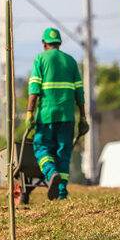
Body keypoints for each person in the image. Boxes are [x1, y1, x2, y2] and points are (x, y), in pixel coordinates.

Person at [26, 28, 89, 200]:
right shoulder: (70, 61)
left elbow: (34, 90)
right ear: (59, 43)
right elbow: (80, 93)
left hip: (46, 116)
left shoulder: (40, 59)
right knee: (63, 153)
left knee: (41, 147)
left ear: (44, 43)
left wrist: (29, 113)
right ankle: (61, 193)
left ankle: (51, 172)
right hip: (67, 117)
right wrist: (83, 117)